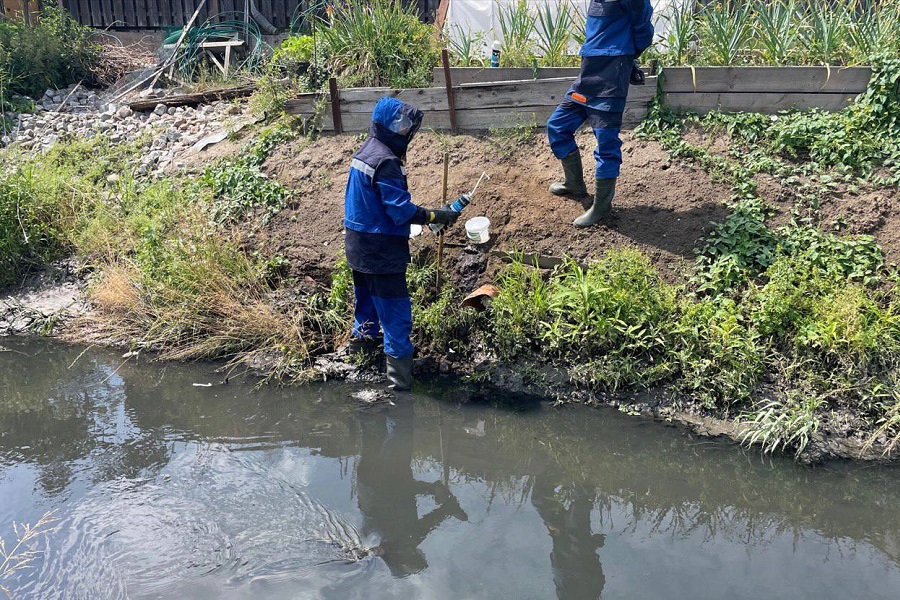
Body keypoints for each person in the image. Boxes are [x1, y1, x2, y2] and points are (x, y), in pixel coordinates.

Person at [343, 97, 459, 391]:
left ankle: (361, 370)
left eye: (407, 126)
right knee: (395, 316)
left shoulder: (365, 152)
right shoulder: (387, 162)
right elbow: (400, 211)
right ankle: (399, 390)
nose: (406, 131)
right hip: (381, 251)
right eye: (401, 125)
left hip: (357, 245)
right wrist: (434, 215)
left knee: (366, 307)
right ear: (386, 126)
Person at [546, 0, 654, 227]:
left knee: (606, 143)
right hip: (588, 73)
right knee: (558, 125)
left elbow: (643, 26)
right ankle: (574, 184)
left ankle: (602, 206)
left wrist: (625, 57)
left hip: (612, 74)